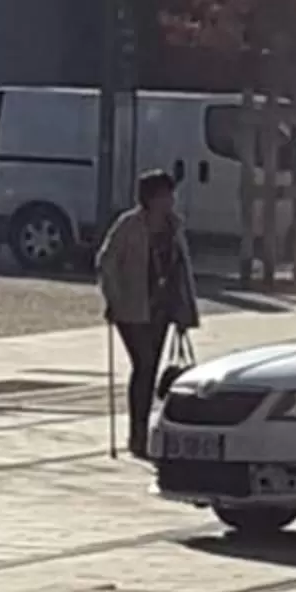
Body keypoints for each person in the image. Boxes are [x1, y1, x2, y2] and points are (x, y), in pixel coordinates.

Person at [96, 168, 199, 457]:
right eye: (164, 195)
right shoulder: (129, 225)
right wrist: (114, 298)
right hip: (132, 307)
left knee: (150, 368)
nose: (170, 201)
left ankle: (142, 431)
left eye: (170, 195)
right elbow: (106, 261)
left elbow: (181, 270)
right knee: (143, 365)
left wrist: (184, 311)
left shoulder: (174, 227)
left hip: (161, 308)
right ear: (150, 198)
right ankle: (137, 434)